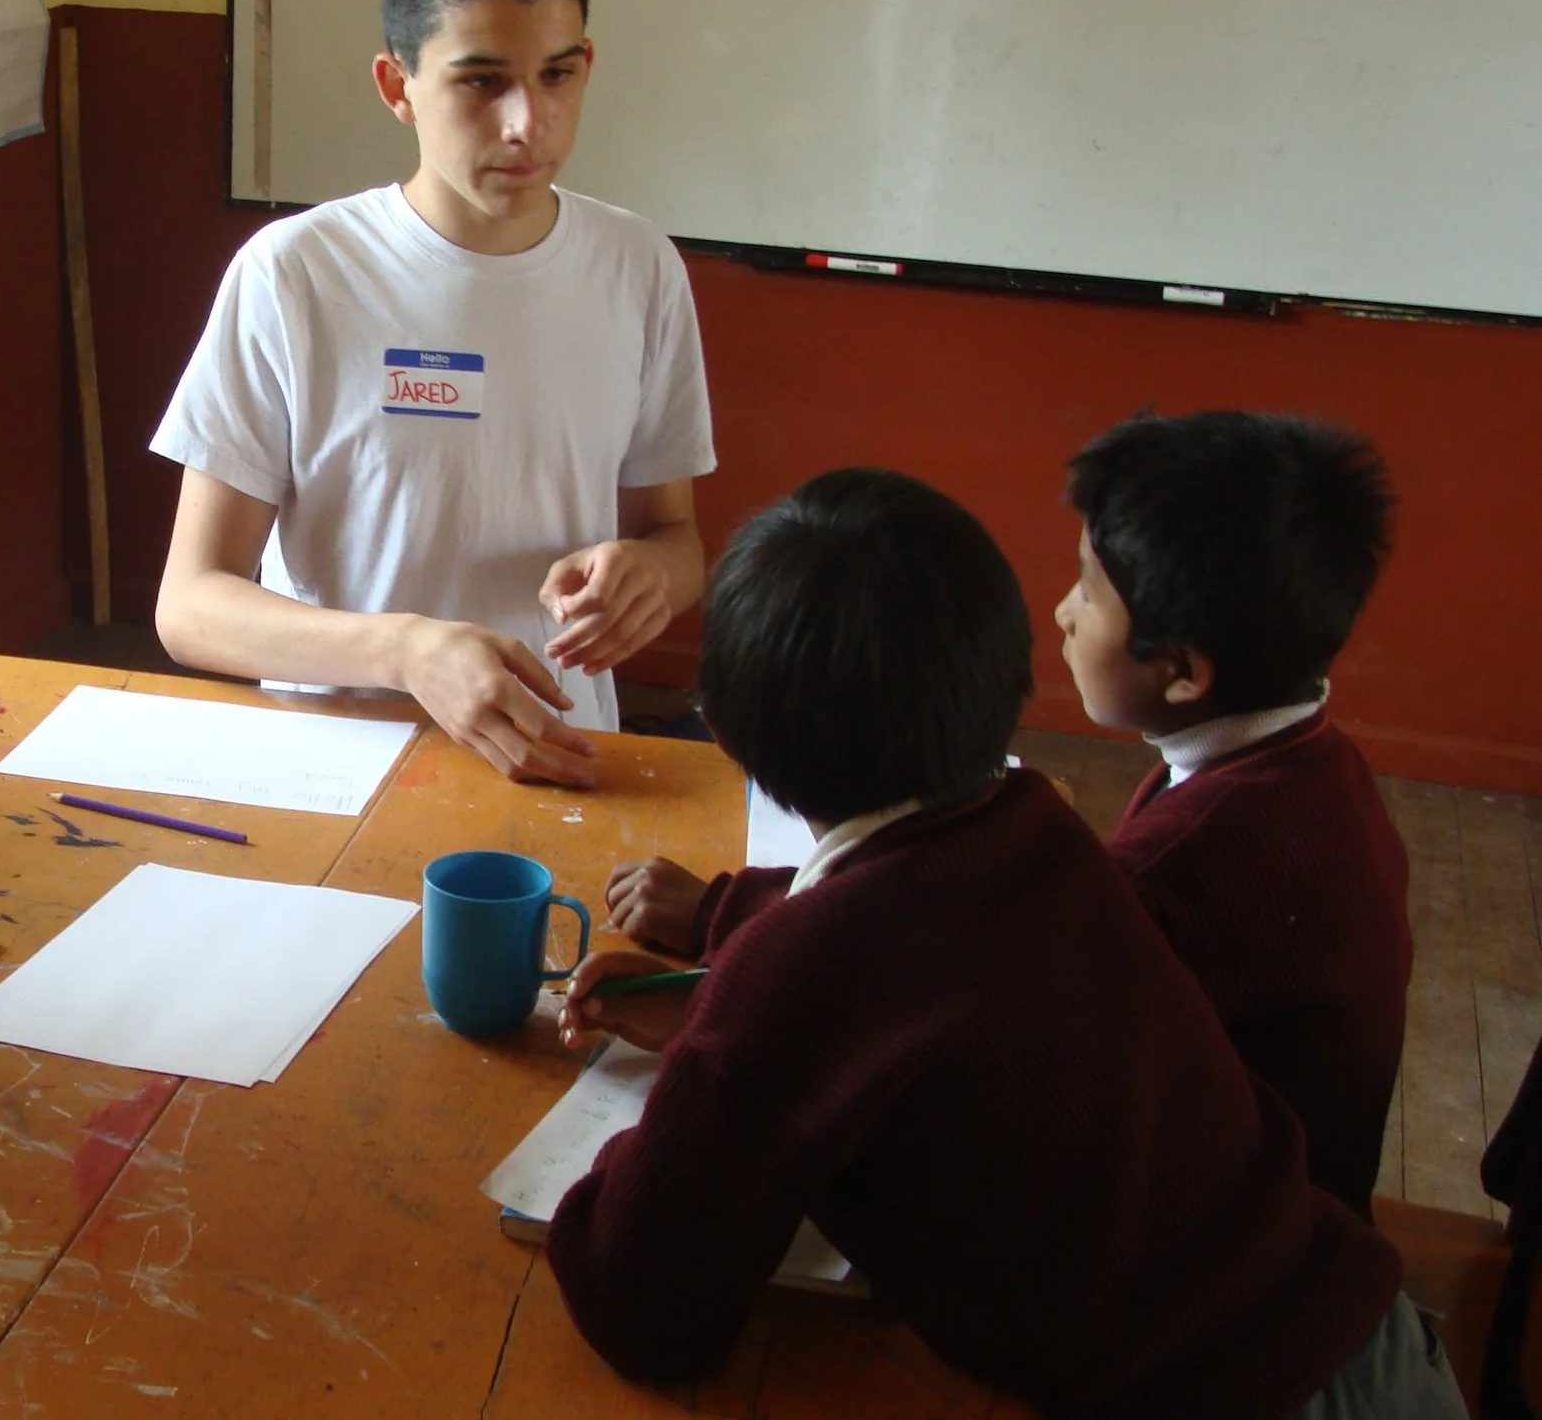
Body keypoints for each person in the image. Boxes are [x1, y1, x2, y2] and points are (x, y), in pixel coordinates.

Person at [549, 469, 1458, 1418]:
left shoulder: (792, 981)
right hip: (1375, 1338)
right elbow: (927, 998)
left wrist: (676, 1105)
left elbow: (640, 1305)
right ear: (1004, 676)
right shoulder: (1047, 833)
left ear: (723, 726)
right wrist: (726, 1004)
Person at [149, 0, 716, 788]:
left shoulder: (636, 267)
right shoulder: (295, 274)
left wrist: (650, 573)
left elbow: (676, 537)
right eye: (482, 81)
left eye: (557, 75)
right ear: (397, 86)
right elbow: (191, 603)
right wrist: (407, 650)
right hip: (331, 766)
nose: (526, 122)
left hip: (557, 758)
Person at [1054, 409, 1408, 1216]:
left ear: (1182, 671)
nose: (1062, 614)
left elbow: (1007, 1012)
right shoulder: (1317, 763)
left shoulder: (1190, 860)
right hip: (1298, 1215)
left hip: (1223, 1266)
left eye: (1087, 588)